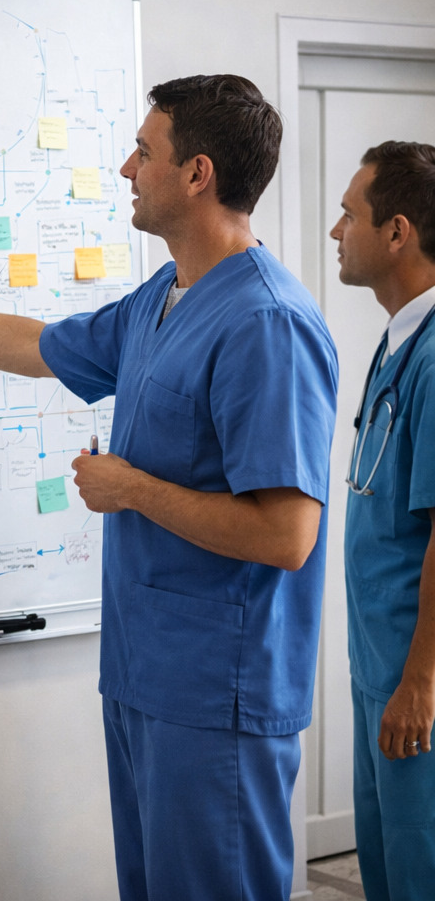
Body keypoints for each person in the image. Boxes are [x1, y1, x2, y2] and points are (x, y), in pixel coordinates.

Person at [0, 74, 338, 901]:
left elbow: (286, 535)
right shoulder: (161, 301)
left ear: (197, 174)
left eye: (145, 150)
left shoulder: (265, 324)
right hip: (144, 675)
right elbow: (35, 346)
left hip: (218, 694)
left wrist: (133, 488)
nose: (127, 166)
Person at [330, 141, 435, 901]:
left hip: (416, 681)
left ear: (396, 232)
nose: (337, 231)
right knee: (385, 871)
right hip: (380, 667)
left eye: (348, 215)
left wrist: (420, 684)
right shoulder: (398, 341)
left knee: (419, 871)